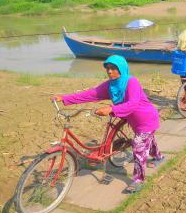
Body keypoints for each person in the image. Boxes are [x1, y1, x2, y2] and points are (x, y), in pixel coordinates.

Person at [52, 55, 164, 194]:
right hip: (132, 119)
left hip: (146, 118)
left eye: (113, 68)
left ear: (121, 69)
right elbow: (90, 94)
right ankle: (159, 156)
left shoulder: (131, 82)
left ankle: (138, 180)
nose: (109, 71)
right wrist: (64, 98)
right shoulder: (109, 85)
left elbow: (133, 104)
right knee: (147, 140)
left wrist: (112, 109)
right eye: (108, 68)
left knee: (139, 145)